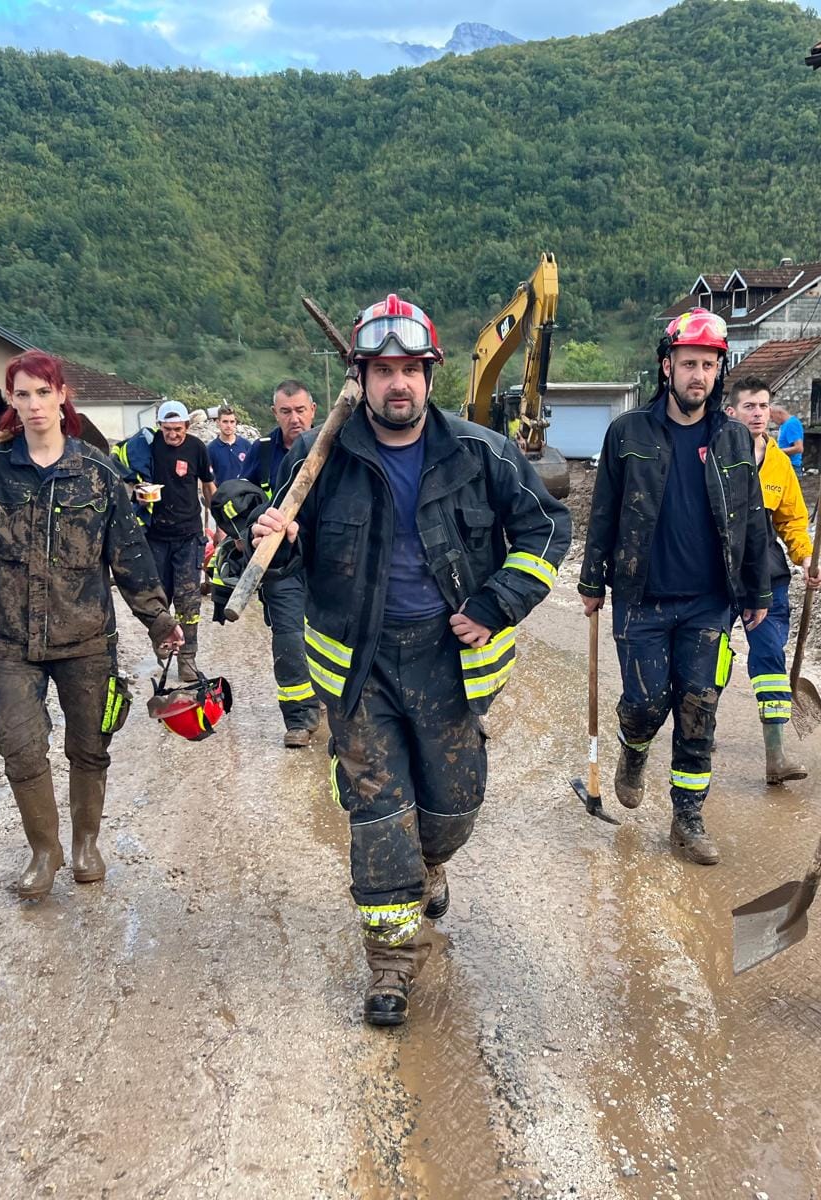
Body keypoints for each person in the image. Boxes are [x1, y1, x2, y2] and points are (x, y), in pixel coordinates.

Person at [248, 294, 570, 1027]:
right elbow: (276, 552)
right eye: (383, 370)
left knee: (452, 810)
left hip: (450, 664)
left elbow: (548, 530)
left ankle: (432, 863)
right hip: (358, 669)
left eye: (411, 370)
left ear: (431, 375)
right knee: (378, 813)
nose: (399, 384)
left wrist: (496, 603)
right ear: (359, 377)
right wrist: (275, 536)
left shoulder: (480, 453)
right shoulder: (319, 455)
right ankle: (392, 961)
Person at [0, 351, 182, 900]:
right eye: (21, 395)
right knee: (21, 748)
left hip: (86, 639)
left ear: (62, 395)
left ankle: (85, 843)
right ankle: (44, 851)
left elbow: (130, 556)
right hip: (10, 640)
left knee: (90, 745)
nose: (33, 405)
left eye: (42, 392)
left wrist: (159, 621)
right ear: (10, 401)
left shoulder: (96, 472)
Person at [578, 309, 772, 866]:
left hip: (710, 603)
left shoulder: (734, 438)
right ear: (667, 366)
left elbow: (750, 518)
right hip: (640, 597)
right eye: (689, 363)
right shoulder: (628, 433)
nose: (699, 376)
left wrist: (757, 592)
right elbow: (604, 512)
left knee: (698, 708)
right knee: (644, 701)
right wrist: (592, 581)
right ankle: (634, 747)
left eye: (709, 365)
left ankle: (687, 819)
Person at [725, 376, 821, 784]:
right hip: (720, 571)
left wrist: (806, 558)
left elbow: (791, 520)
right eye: (749, 406)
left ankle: (776, 754)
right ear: (731, 412)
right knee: (711, 657)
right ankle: (700, 727)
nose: (758, 414)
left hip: (768, 572)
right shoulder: (714, 456)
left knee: (769, 657)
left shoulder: (780, 463)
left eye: (764, 406)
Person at [112, 400, 214, 681]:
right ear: (159, 426)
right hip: (155, 537)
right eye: (167, 429)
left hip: (189, 536)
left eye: (178, 429)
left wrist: (218, 525)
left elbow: (207, 487)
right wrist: (137, 491)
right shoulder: (146, 447)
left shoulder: (196, 448)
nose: (173, 435)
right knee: (158, 599)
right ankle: (163, 645)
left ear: (187, 426)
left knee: (189, 601)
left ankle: (188, 659)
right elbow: (120, 470)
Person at [243, 380, 320, 747]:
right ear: (275, 413)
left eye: (300, 410)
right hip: (281, 562)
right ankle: (299, 718)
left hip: (325, 558)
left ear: (313, 411)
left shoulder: (331, 447)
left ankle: (333, 701)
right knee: (289, 637)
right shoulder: (260, 452)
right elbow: (241, 503)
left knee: (333, 633)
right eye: (286, 411)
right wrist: (253, 525)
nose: (294, 418)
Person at [206, 402, 253, 486]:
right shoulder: (211, 449)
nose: (229, 425)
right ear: (218, 422)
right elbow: (208, 480)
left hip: (244, 495)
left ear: (236, 423)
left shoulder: (246, 445)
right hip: (222, 496)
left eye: (232, 422)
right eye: (225, 421)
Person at [772, 402, 805, 471]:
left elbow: (799, 448)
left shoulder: (791, 424)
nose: (772, 420)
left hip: (791, 466)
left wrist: (776, 451)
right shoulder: (784, 425)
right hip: (785, 465)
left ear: (779, 413)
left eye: (772, 416)